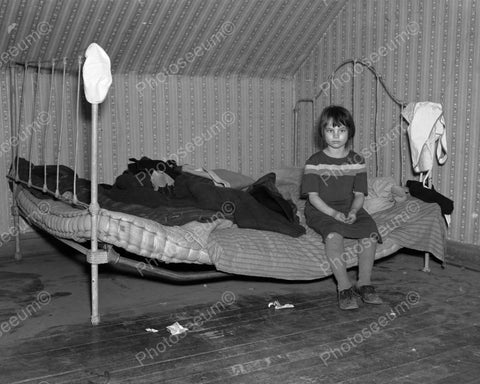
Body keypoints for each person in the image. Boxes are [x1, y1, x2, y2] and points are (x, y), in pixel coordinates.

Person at [301, 105, 383, 310]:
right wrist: (334, 214)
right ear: (322, 133)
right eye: (330, 130)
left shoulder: (357, 161)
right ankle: (344, 287)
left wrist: (354, 212)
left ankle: (364, 283)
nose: (336, 136)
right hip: (321, 209)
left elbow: (358, 195)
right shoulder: (314, 162)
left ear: (350, 132)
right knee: (333, 235)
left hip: (349, 207)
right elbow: (313, 197)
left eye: (341, 130)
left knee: (370, 232)